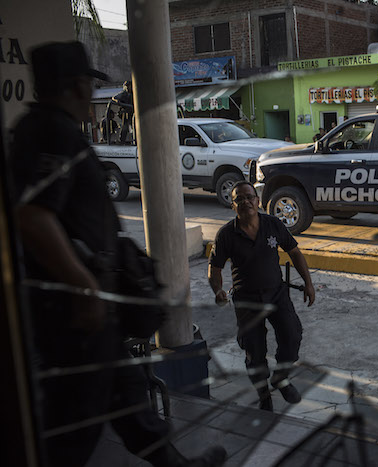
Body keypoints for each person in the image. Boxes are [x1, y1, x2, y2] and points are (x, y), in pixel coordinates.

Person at [10, 41, 225, 467]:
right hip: (76, 312)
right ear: (76, 85)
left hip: (89, 311)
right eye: (89, 84)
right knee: (74, 429)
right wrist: (86, 288)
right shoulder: (50, 132)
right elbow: (34, 217)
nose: (92, 95)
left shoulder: (57, 131)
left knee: (130, 404)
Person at [208, 181, 315, 412]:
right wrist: (218, 289)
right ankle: (263, 394)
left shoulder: (273, 225)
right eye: (240, 199)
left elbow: (294, 252)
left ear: (258, 201)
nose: (246, 202)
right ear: (232, 205)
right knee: (254, 351)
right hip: (247, 300)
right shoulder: (226, 234)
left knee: (292, 335)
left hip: (277, 294)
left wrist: (308, 283)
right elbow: (214, 268)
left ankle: (281, 378)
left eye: (250, 197)